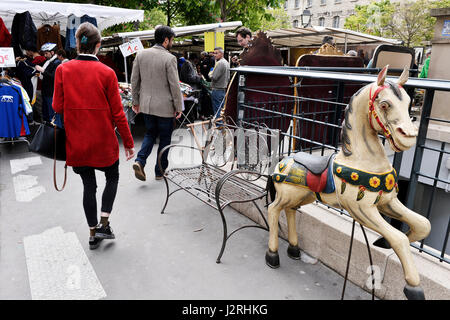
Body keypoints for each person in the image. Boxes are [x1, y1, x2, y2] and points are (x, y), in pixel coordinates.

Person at [52, 22, 135, 250]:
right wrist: (128, 143)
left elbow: (57, 106)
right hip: (103, 141)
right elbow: (118, 113)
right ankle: (104, 224)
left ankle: (91, 234)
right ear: (98, 46)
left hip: (76, 141)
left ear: (77, 43)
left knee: (89, 186)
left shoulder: (62, 70)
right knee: (113, 177)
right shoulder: (107, 73)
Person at [131, 25, 183, 182]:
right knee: (165, 139)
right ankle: (159, 171)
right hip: (165, 107)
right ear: (166, 40)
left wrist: (135, 101)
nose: (172, 42)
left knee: (150, 133)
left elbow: (135, 81)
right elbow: (174, 85)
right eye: (172, 40)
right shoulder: (169, 58)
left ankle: (140, 160)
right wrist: (178, 107)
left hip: (147, 105)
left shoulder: (140, 55)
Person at [35, 43, 61, 123]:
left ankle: (53, 133)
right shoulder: (48, 61)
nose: (45, 55)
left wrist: (42, 71)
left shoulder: (57, 62)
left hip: (51, 92)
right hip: (46, 91)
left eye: (46, 53)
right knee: (46, 114)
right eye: (44, 53)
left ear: (52, 52)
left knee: (51, 115)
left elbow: (54, 77)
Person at [209, 47, 230, 120]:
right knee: (221, 111)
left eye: (216, 53)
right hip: (223, 89)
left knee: (217, 111)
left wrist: (210, 73)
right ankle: (221, 126)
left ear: (221, 54)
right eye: (214, 53)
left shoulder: (220, 63)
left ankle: (219, 126)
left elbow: (214, 77)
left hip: (217, 90)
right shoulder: (226, 62)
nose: (214, 55)